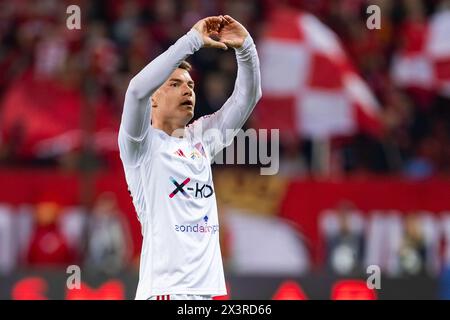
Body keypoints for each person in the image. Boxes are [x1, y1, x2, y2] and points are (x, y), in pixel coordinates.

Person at [118, 15, 261, 300]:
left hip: (206, 295)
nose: (187, 89)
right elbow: (135, 91)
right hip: (164, 292)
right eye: (174, 84)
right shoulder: (140, 146)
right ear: (154, 99)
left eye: (191, 86)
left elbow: (248, 97)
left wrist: (246, 49)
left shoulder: (202, 140)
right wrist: (192, 41)